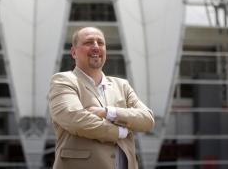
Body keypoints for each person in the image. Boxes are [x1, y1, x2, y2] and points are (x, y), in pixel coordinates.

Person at [48, 26, 154, 169]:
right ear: (73, 52)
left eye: (100, 43)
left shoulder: (122, 85)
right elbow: (75, 119)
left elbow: (147, 120)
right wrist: (120, 131)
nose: (96, 47)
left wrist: (108, 112)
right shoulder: (63, 81)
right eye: (89, 42)